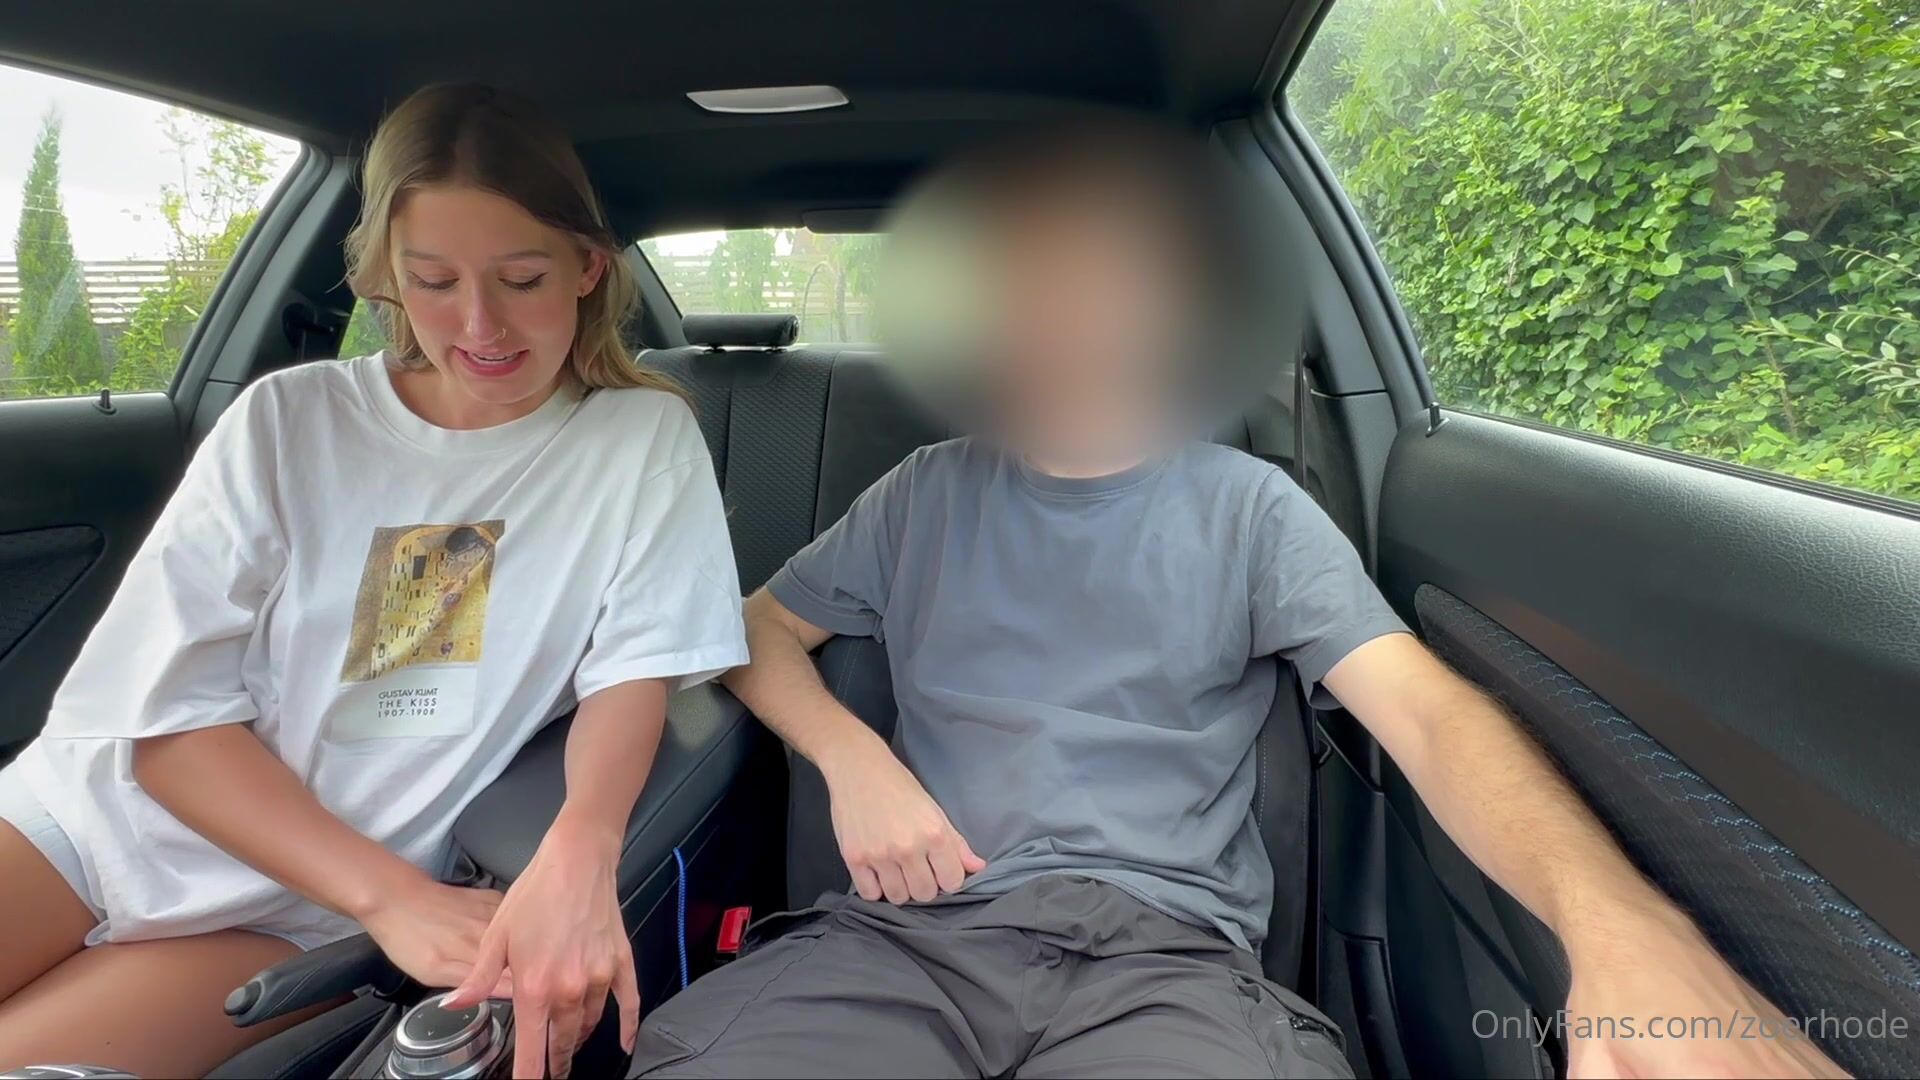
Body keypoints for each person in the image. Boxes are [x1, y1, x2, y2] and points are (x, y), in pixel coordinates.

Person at [626, 124, 1846, 1079]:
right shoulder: (924, 493)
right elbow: (755, 627)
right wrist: (855, 759)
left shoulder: (1251, 510)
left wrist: (1620, 926)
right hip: (909, 943)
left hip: (1161, 965)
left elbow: (1430, 717)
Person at [0, 84, 747, 1079]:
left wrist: (581, 848)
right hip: (90, 820)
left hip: (296, 910)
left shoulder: (640, 438)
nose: (479, 324)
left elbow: (635, 671)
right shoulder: (287, 419)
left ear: (587, 268)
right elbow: (166, 725)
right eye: (433, 280)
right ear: (388, 279)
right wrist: (392, 898)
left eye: (522, 278)